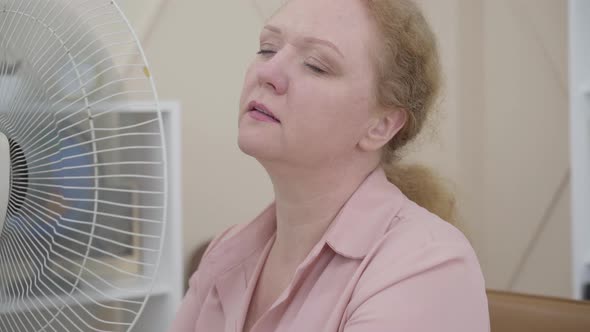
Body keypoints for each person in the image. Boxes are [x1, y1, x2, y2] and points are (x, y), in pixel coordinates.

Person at [168, 0, 490, 331]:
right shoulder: (226, 252)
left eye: (316, 65)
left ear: (380, 126)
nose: (267, 73)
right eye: (267, 49)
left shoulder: (427, 268)